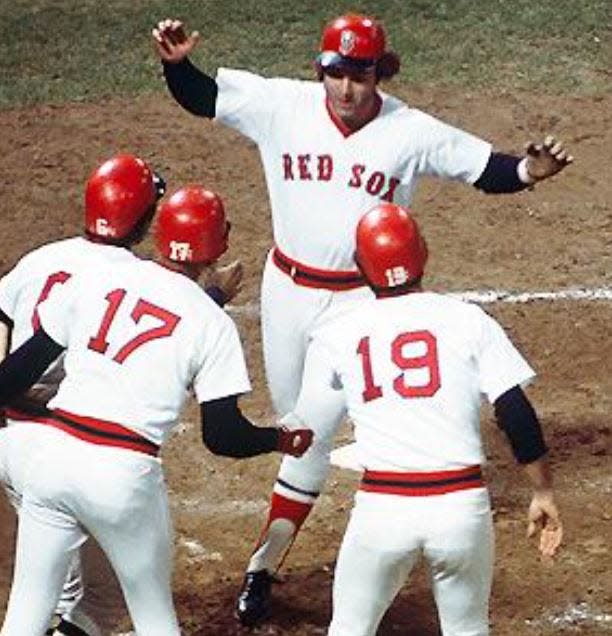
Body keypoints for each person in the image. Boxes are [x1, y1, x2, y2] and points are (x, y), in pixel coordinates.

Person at [151, 12, 573, 625]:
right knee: (298, 428)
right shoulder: (282, 106)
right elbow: (203, 96)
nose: (346, 88)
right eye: (336, 73)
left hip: (360, 305)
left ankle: (263, 567)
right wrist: (176, 64)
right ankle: (301, 545)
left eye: (360, 74)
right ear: (321, 70)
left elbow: (486, 169)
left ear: (381, 72)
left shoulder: (410, 130)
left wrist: (531, 172)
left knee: (315, 439)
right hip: (287, 293)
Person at [0, 183, 313, 636]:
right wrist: (280, 438)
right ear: (217, 246)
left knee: (25, 614)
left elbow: (11, 377)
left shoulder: (96, 279)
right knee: (155, 620)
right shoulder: (211, 322)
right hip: (122, 478)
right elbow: (222, 437)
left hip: (50, 460)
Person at [281, 202, 563, 635]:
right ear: (423, 254)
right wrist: (542, 491)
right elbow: (515, 413)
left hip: (383, 511)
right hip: (460, 509)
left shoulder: (335, 334)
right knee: (467, 629)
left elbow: (306, 428)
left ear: (360, 267)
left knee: (350, 628)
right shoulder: (470, 320)